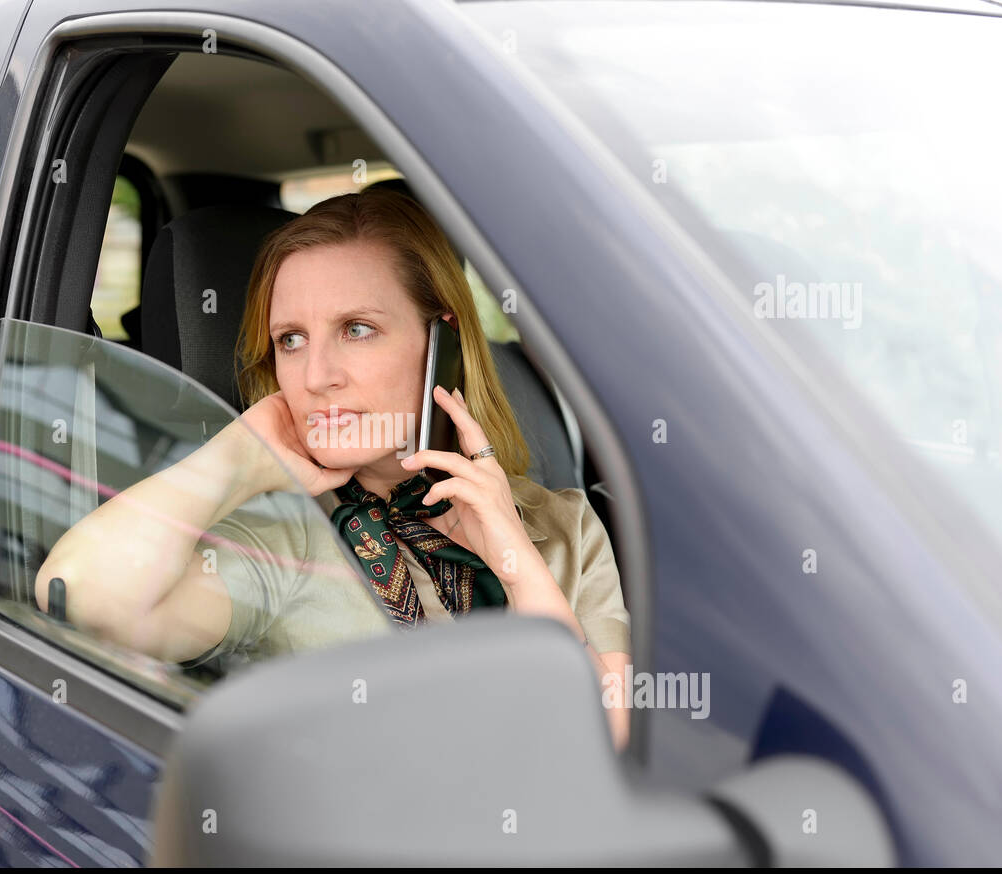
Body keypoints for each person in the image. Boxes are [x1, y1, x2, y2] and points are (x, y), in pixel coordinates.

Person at [36, 188, 632, 749]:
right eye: (290, 340)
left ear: (441, 347)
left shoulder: (564, 525)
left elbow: (603, 746)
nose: (317, 375)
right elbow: (79, 594)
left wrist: (517, 561)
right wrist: (240, 454)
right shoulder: (281, 535)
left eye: (357, 329)